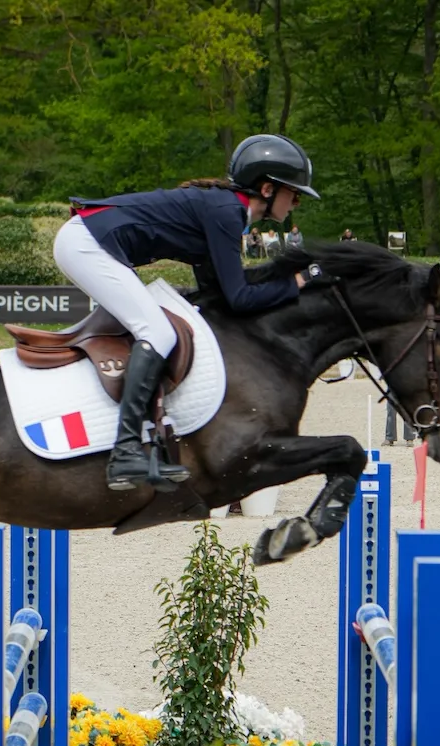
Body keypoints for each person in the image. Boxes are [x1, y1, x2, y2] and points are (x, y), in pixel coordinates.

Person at [54, 133, 322, 491]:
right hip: (86, 244)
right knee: (158, 332)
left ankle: (145, 446)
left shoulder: (227, 211)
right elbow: (240, 298)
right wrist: (300, 282)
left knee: (165, 326)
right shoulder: (227, 212)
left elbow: (219, 296)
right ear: (268, 189)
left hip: (92, 242)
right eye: (295, 194)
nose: (296, 204)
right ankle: (125, 451)